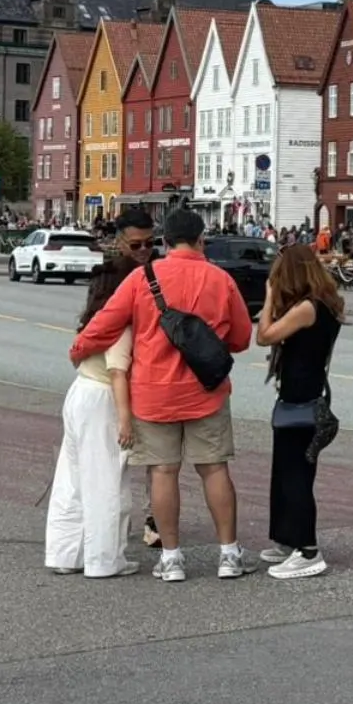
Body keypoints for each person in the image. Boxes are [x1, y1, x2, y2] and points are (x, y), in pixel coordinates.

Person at [72, 206, 256, 582]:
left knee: (162, 471)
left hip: (153, 394)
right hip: (206, 391)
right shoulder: (221, 279)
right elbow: (240, 339)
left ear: (165, 241)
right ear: (201, 239)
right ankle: (228, 555)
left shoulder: (143, 277)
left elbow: (106, 322)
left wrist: (79, 348)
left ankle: (171, 558)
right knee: (214, 469)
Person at [44, 216, 144, 578]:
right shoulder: (119, 321)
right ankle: (104, 559)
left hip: (80, 391)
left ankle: (64, 552)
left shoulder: (92, 319)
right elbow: (119, 370)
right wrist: (126, 419)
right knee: (107, 481)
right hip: (103, 397)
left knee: (71, 479)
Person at [255, 244, 344, 579]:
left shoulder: (308, 308)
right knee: (285, 473)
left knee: (296, 478)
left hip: (302, 400)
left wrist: (268, 297)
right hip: (303, 395)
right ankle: (287, 538)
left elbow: (264, 336)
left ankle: (308, 549)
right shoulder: (323, 303)